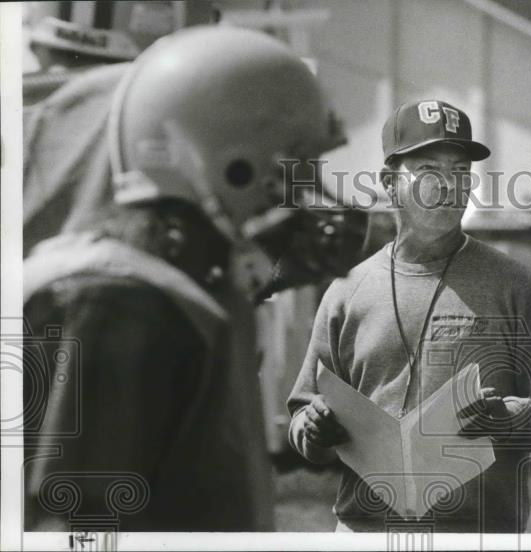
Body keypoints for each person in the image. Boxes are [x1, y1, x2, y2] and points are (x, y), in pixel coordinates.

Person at [22, 27, 367, 531]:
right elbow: (77, 527)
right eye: (297, 167)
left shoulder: (180, 289)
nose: (309, 192)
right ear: (230, 163)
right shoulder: (121, 301)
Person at [286, 99, 531, 532]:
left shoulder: (514, 285)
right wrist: (314, 427)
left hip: (477, 533)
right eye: (430, 170)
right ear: (390, 183)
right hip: (367, 533)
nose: (449, 185)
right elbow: (303, 412)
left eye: (461, 172)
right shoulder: (346, 290)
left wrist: (506, 418)